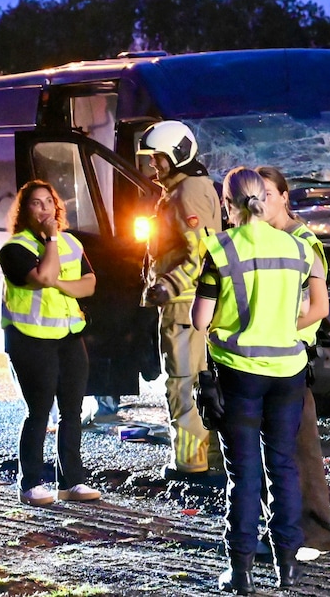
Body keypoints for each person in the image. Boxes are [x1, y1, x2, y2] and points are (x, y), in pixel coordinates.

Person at [193, 167, 325, 593]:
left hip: (239, 374)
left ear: (227, 204)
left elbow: (200, 319)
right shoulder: (298, 248)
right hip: (288, 372)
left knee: (243, 473)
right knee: (283, 467)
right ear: (263, 200)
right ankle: (288, 567)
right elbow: (308, 306)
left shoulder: (220, 249)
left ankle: (242, 572)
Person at [0, 180, 102, 506]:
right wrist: (52, 241)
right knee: (38, 413)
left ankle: (72, 483)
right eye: (35, 203)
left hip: (68, 336)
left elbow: (89, 285)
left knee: (72, 410)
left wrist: (60, 282)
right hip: (30, 340)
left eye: (48, 202)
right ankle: (30, 483)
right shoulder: (15, 249)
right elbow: (42, 277)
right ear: (24, 211)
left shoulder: (72, 243)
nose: (43, 209)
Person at [137, 120, 224, 480]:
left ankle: (190, 463)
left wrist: (168, 286)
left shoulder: (187, 191)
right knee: (201, 381)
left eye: (158, 159)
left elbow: (200, 250)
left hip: (185, 304)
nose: (154, 166)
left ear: (177, 156)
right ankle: (211, 457)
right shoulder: (186, 188)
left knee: (183, 382)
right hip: (191, 302)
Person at [257, 166, 330, 559]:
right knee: (268, 452)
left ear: (285, 196)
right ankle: (279, 530)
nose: (261, 201)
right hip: (259, 357)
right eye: (255, 194)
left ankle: (314, 537)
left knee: (300, 449)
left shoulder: (303, 241)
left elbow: (315, 307)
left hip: (288, 355)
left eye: (268, 193)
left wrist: (277, 331)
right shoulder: (260, 241)